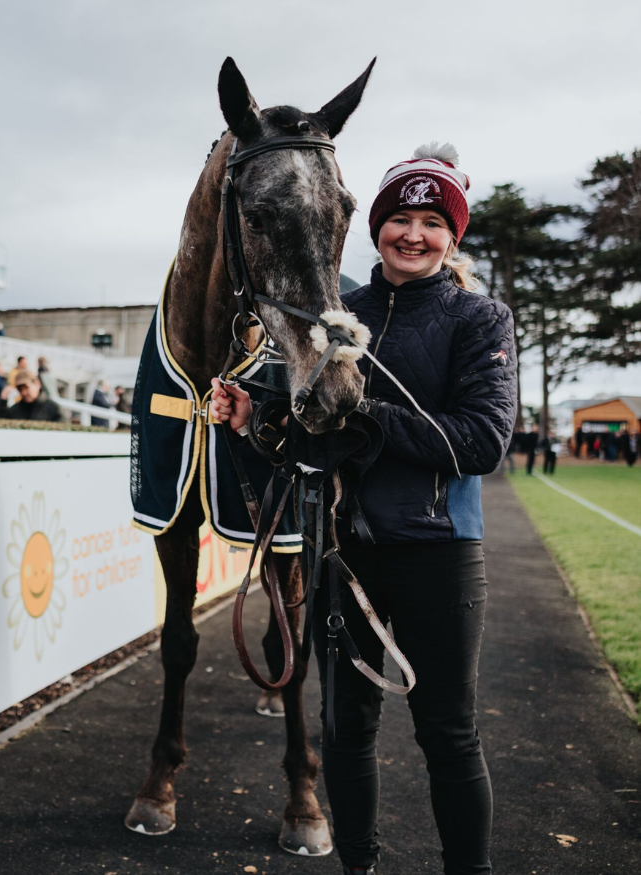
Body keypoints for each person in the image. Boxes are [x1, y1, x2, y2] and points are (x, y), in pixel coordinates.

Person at [212, 143, 516, 875]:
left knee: (447, 734)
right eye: (399, 218)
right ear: (375, 226)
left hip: (439, 554)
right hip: (341, 552)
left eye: (430, 222)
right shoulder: (335, 313)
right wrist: (256, 417)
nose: (413, 234)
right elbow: (308, 439)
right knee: (344, 730)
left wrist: (364, 414)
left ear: (453, 237)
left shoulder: (479, 319)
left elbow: (480, 441)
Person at [0, 368, 64, 422]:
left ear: (37, 383)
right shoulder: (14, 410)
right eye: (20, 389)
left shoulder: (53, 408)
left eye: (26, 387)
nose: (23, 392)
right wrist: (3, 400)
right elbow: (0, 424)